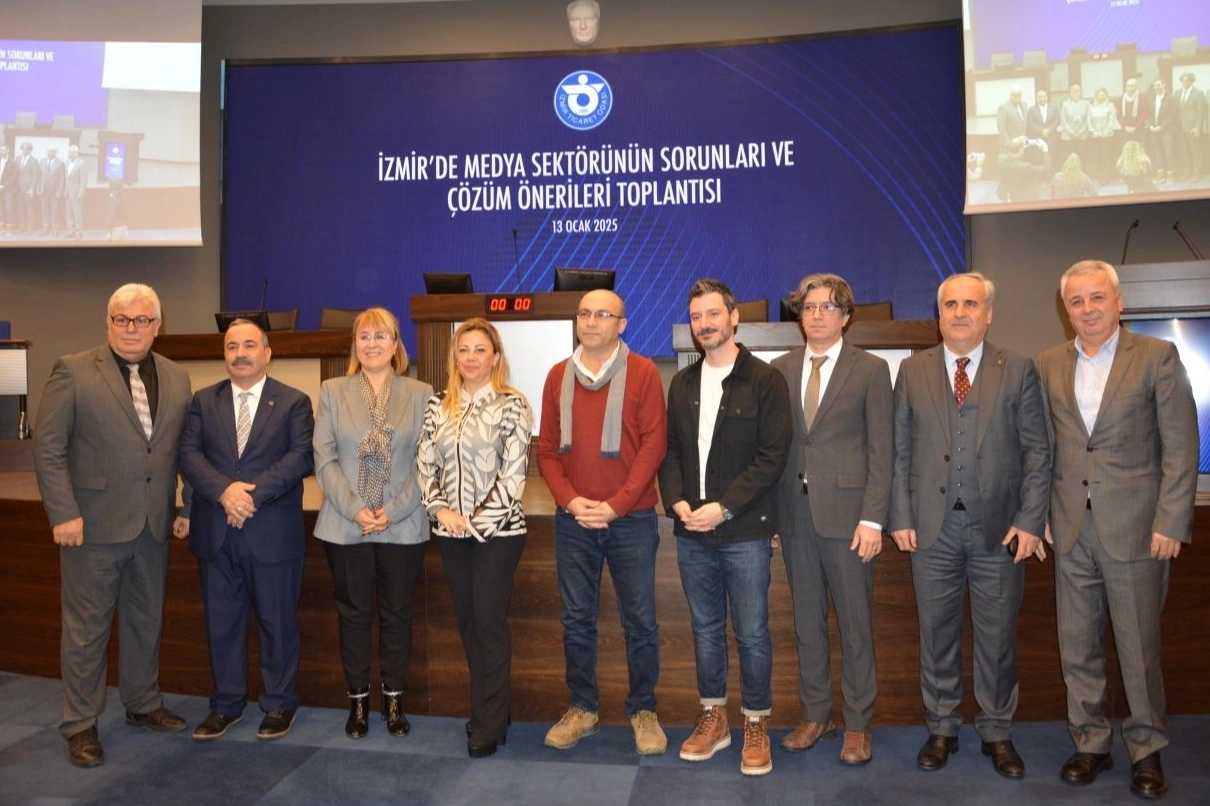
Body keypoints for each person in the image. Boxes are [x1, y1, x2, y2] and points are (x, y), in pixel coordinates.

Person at [1037, 260, 1198, 800]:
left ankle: (1147, 749)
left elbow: (1181, 446)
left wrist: (1171, 520)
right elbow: (1047, 447)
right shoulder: (1049, 363)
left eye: (1097, 297)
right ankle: (1091, 742)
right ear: (1066, 308)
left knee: (1138, 649)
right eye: (1077, 300)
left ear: (1119, 302)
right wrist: (1042, 513)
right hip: (1070, 528)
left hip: (1136, 528)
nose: (1087, 309)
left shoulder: (1156, 356)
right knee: (1077, 646)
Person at [889, 272, 1050, 780]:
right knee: (936, 634)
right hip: (931, 529)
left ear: (989, 313)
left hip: (998, 531)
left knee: (997, 637)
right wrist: (900, 515)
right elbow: (899, 451)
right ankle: (942, 726)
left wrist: (1031, 519)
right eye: (951, 304)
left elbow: (1038, 452)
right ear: (938, 313)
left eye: (971, 304)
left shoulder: (1018, 368)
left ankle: (997, 730)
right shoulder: (912, 370)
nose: (960, 313)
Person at [32, 283, 193, 767]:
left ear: (157, 326)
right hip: (92, 527)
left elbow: (183, 449)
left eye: (142, 320)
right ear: (108, 323)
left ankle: (142, 703)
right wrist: (63, 512)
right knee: (86, 631)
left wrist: (187, 506)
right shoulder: (73, 370)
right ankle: (80, 724)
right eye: (122, 319)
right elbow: (48, 447)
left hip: (153, 525)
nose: (131, 328)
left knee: (146, 621)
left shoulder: (177, 376)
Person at [658, 278, 792, 776]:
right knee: (705, 629)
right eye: (696, 317)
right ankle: (714, 717)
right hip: (692, 531)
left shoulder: (765, 380)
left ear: (734, 318)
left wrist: (724, 507)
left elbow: (772, 457)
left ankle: (755, 722)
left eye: (713, 314)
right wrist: (676, 501)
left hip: (745, 531)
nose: (705, 324)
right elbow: (671, 451)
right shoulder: (683, 383)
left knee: (752, 633)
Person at [537, 289, 668, 756]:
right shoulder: (557, 375)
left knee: (640, 621)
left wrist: (616, 504)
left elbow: (653, 446)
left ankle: (643, 710)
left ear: (622, 324)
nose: (591, 322)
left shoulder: (645, 373)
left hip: (631, 519)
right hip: (573, 520)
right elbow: (546, 450)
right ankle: (583, 709)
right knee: (576, 619)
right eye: (584, 314)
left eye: (602, 315)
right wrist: (571, 501)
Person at [771, 273, 892, 766]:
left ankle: (858, 724)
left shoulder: (871, 369)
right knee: (807, 623)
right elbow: (777, 448)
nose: (817, 314)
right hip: (795, 516)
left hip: (850, 521)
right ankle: (816, 714)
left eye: (828, 307)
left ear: (846, 316)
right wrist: (773, 517)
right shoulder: (780, 368)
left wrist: (874, 519)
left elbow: (883, 450)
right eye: (809, 307)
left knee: (855, 626)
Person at [178, 319, 315, 742]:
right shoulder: (204, 400)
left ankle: (278, 705)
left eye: (249, 345)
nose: (240, 353)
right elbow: (188, 454)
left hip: (271, 532)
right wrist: (225, 492)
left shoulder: (293, 401)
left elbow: (301, 457)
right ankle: (225, 705)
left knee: (277, 623)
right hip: (216, 532)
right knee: (222, 624)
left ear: (267, 353)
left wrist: (249, 497)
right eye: (232, 346)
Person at [312, 307, 433, 739]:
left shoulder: (421, 393)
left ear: (396, 344)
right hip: (346, 525)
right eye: (364, 336)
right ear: (355, 344)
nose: (372, 344)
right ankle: (359, 703)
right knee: (354, 616)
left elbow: (426, 461)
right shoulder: (332, 390)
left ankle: (394, 702)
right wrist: (355, 508)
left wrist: (392, 511)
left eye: (381, 336)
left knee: (397, 616)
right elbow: (324, 457)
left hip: (403, 523)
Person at [418, 318, 532, 759]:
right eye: (463, 350)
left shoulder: (512, 405)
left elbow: (514, 475)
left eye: (480, 349)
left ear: (495, 357)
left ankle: (489, 720)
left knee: (488, 622)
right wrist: (442, 511)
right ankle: (492, 712)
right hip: (451, 531)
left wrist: (476, 523)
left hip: (498, 534)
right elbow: (425, 465)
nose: (470, 357)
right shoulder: (437, 405)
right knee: (468, 623)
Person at [996, 135, 1050, 203]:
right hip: (1024, 198)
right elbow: (1045, 168)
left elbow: (1009, 153)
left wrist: (1017, 143)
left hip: (1008, 195)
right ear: (1021, 150)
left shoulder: (1000, 159)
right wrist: (1045, 151)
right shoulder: (1025, 167)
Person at [1174, 71, 1206, 181]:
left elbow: (1200, 111)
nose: (1184, 82)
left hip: (1192, 127)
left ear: (1192, 81)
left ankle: (1196, 173)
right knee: (1184, 150)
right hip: (1180, 127)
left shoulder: (1198, 93)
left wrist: (1197, 127)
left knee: (1195, 151)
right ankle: (1186, 172)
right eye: (1183, 80)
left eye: (1187, 80)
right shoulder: (1177, 93)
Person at [1086, 88, 1121, 183]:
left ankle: (1106, 177)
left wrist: (1104, 133)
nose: (1100, 97)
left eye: (1102, 95)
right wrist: (1093, 131)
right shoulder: (1091, 106)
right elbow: (1088, 120)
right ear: (1096, 96)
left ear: (1106, 96)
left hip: (1107, 136)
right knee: (1096, 156)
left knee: (1105, 156)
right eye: (1099, 95)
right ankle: (1098, 175)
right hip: (1094, 136)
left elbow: (1112, 120)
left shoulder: (1110, 106)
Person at [1147, 79, 1179, 184]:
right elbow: (1148, 113)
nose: (1156, 87)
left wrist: (1161, 126)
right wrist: (1151, 125)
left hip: (1167, 130)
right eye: (1154, 86)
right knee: (1157, 153)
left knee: (1168, 153)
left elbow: (1173, 115)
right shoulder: (1151, 97)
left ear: (1164, 85)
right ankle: (1160, 175)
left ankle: (1170, 175)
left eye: (1158, 85)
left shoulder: (1171, 98)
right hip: (1153, 130)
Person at [1058, 84, 1091, 169]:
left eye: (1077, 92)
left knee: (1082, 158)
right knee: (1069, 158)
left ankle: (1081, 174)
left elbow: (1088, 119)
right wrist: (1072, 132)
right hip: (1068, 136)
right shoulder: (1065, 104)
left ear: (1081, 92)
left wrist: (1081, 131)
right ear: (1070, 93)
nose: (1075, 94)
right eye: (1073, 92)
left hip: (1082, 135)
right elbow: (1063, 120)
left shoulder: (1086, 104)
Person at [38, 146, 66, 237]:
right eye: (49, 151)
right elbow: (39, 176)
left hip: (54, 192)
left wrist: (59, 191)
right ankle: (45, 228)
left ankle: (54, 229)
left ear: (55, 152)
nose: (50, 153)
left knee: (55, 211)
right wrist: (39, 188)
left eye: (52, 151)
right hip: (43, 191)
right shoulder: (42, 161)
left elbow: (62, 178)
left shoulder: (60, 163)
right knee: (44, 210)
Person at [15, 141, 40, 234]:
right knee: (20, 209)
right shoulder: (18, 159)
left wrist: (32, 189)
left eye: (26, 149)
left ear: (30, 150)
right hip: (19, 189)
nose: (24, 150)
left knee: (29, 209)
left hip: (28, 189)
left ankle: (29, 228)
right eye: (23, 148)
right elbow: (15, 174)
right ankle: (22, 227)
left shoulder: (34, 160)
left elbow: (35, 176)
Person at [1027, 89, 1060, 153]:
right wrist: (1041, 131)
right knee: (1038, 157)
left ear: (1047, 97)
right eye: (1040, 97)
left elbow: (1057, 121)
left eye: (1044, 97)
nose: (1042, 99)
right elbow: (1031, 123)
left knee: (1052, 156)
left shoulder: (1054, 108)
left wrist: (1048, 130)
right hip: (1037, 139)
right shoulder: (1031, 110)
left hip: (1051, 137)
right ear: (1036, 99)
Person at [64, 145, 87, 239]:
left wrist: (81, 193)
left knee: (77, 214)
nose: (70, 154)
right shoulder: (66, 163)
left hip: (77, 193)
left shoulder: (82, 164)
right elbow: (66, 178)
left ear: (77, 153)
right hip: (68, 192)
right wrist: (65, 190)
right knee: (69, 213)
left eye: (72, 153)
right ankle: (71, 231)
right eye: (69, 152)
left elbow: (83, 180)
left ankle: (78, 232)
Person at [0, 145, 14, 234]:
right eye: (0, 150)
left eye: (3, 150)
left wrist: (4, 186)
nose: (1, 152)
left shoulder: (12, 162)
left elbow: (13, 177)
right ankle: (2, 227)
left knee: (8, 209)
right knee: (0, 209)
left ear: (8, 151)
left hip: (8, 190)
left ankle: (9, 228)